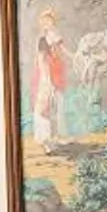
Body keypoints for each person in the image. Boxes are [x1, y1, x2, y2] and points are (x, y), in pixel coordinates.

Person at [29, 8, 71, 142]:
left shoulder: (56, 37)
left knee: (60, 104)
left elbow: (64, 51)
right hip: (46, 74)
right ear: (42, 24)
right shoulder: (42, 40)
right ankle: (46, 137)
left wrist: (75, 57)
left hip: (58, 72)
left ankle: (61, 135)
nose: (48, 24)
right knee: (46, 106)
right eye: (45, 22)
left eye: (50, 22)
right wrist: (46, 79)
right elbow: (42, 60)